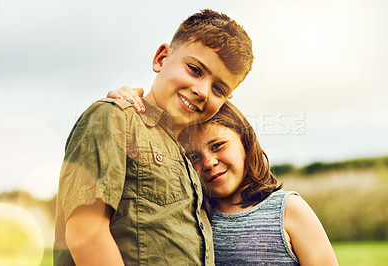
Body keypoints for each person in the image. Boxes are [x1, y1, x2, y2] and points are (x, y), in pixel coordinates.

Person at [54, 9, 254, 266]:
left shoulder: (187, 158)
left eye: (219, 89)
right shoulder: (115, 118)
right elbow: (86, 232)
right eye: (194, 70)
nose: (202, 91)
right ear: (161, 58)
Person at [109, 89, 338, 265]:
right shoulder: (184, 216)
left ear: (245, 141)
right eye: (193, 156)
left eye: (218, 145)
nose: (209, 162)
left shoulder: (288, 210)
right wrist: (125, 108)